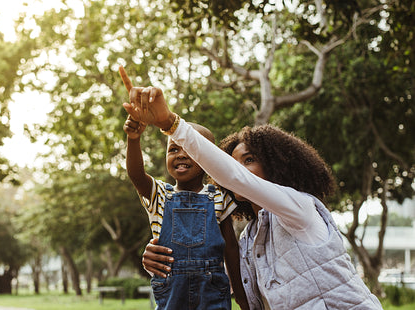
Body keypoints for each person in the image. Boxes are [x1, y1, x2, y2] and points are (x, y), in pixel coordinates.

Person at [120, 70, 383, 309]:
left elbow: (236, 179)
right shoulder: (250, 239)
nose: (237, 171)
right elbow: (235, 284)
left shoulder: (299, 208)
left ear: (275, 164)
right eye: (232, 163)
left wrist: (169, 122)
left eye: (249, 160)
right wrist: (157, 257)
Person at [120, 66, 248, 309]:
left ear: (207, 158)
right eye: (174, 149)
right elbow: (136, 174)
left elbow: (230, 247)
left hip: (212, 291)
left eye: (190, 149)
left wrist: (240, 295)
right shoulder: (160, 195)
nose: (181, 155)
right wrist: (133, 139)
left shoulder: (219, 196)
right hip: (171, 292)